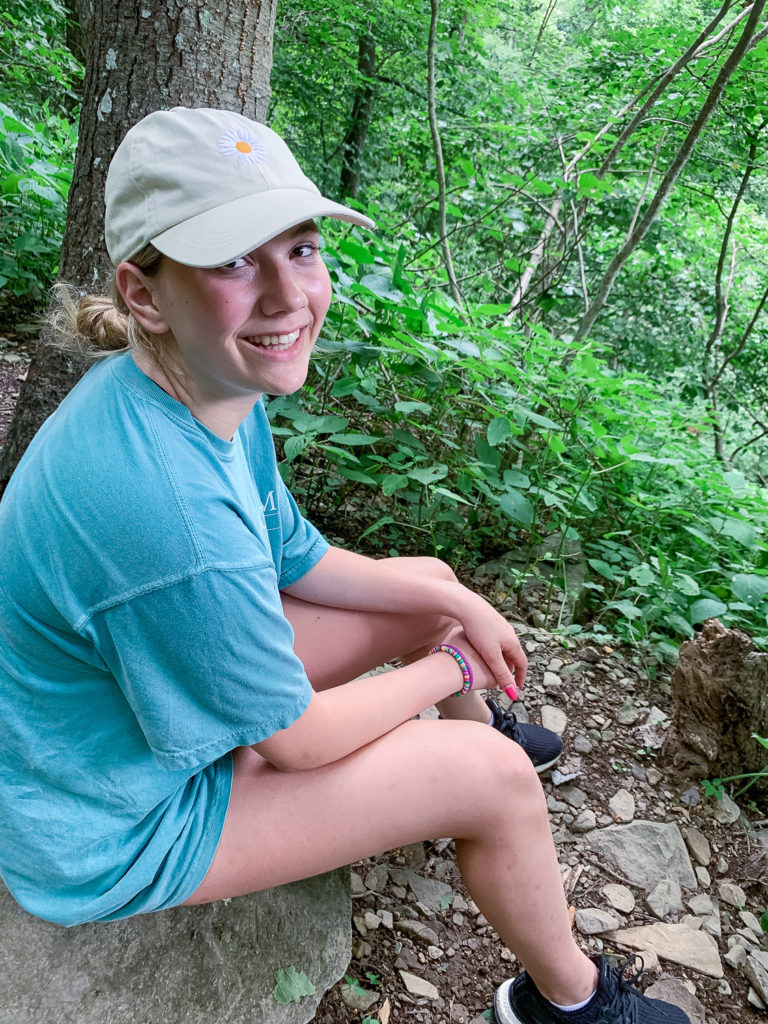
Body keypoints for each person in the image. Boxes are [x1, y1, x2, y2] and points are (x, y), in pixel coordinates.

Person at [0, 107, 689, 1024]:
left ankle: (474, 735)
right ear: (144, 292)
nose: (290, 295)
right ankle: (565, 1001)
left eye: (302, 249)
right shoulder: (168, 511)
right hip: (108, 819)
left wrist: (460, 603)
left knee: (431, 581)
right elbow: (299, 742)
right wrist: (451, 666)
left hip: (113, 718)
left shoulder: (187, 390)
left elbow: (300, 556)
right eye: (235, 259)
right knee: (491, 779)